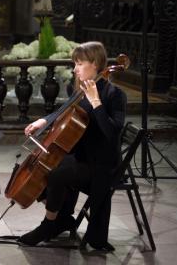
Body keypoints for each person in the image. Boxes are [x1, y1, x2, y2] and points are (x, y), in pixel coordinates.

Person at [18, 41, 127, 250]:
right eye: (74, 63)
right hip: (83, 156)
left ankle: (49, 224)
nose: (75, 68)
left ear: (95, 64)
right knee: (49, 168)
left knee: (57, 174)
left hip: (102, 165)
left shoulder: (114, 94)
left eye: (79, 63)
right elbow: (64, 111)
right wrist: (45, 120)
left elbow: (113, 134)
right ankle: (62, 218)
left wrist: (96, 102)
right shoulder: (80, 90)